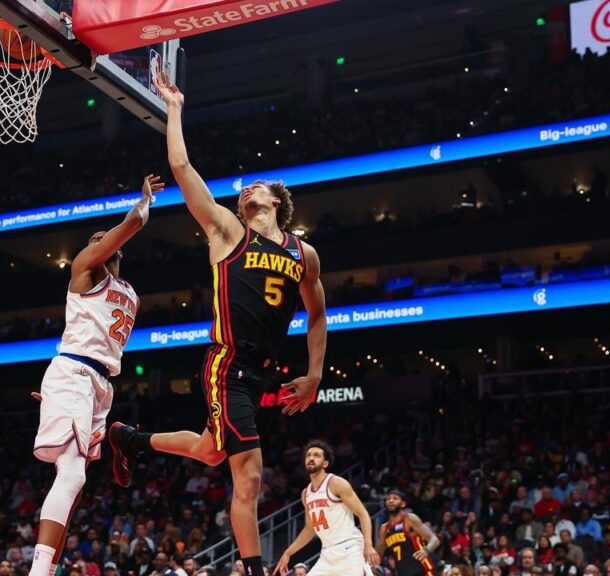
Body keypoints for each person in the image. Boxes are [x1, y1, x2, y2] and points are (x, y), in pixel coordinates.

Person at [110, 70, 327, 576]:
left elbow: (318, 315)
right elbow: (181, 165)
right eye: (245, 188)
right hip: (226, 365)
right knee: (249, 476)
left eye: (260, 186)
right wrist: (175, 107)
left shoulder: (304, 253)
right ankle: (254, 572)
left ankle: (128, 438)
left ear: (278, 200)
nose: (249, 188)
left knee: (211, 452)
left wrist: (315, 374)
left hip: (262, 374)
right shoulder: (227, 230)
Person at [27, 174, 162, 576]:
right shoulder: (84, 269)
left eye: (103, 240)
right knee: (70, 472)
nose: (97, 242)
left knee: (77, 481)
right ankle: (39, 570)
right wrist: (143, 204)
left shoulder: (129, 292)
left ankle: (47, 568)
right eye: (93, 240)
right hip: (75, 373)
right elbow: (133, 224)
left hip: (97, 385)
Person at [274, 442, 379, 575]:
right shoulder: (306, 493)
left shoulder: (336, 483)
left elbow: (363, 514)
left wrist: (368, 545)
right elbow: (310, 528)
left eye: (316, 455)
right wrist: (288, 553)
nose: (311, 458)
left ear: (325, 464)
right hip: (327, 553)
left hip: (350, 548)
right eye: (308, 455)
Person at [375, 490, 440, 576]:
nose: (391, 500)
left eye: (395, 498)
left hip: (424, 571)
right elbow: (377, 554)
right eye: (388, 499)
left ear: (403, 504)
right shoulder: (384, 528)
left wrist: (426, 551)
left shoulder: (409, 519)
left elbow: (434, 539)